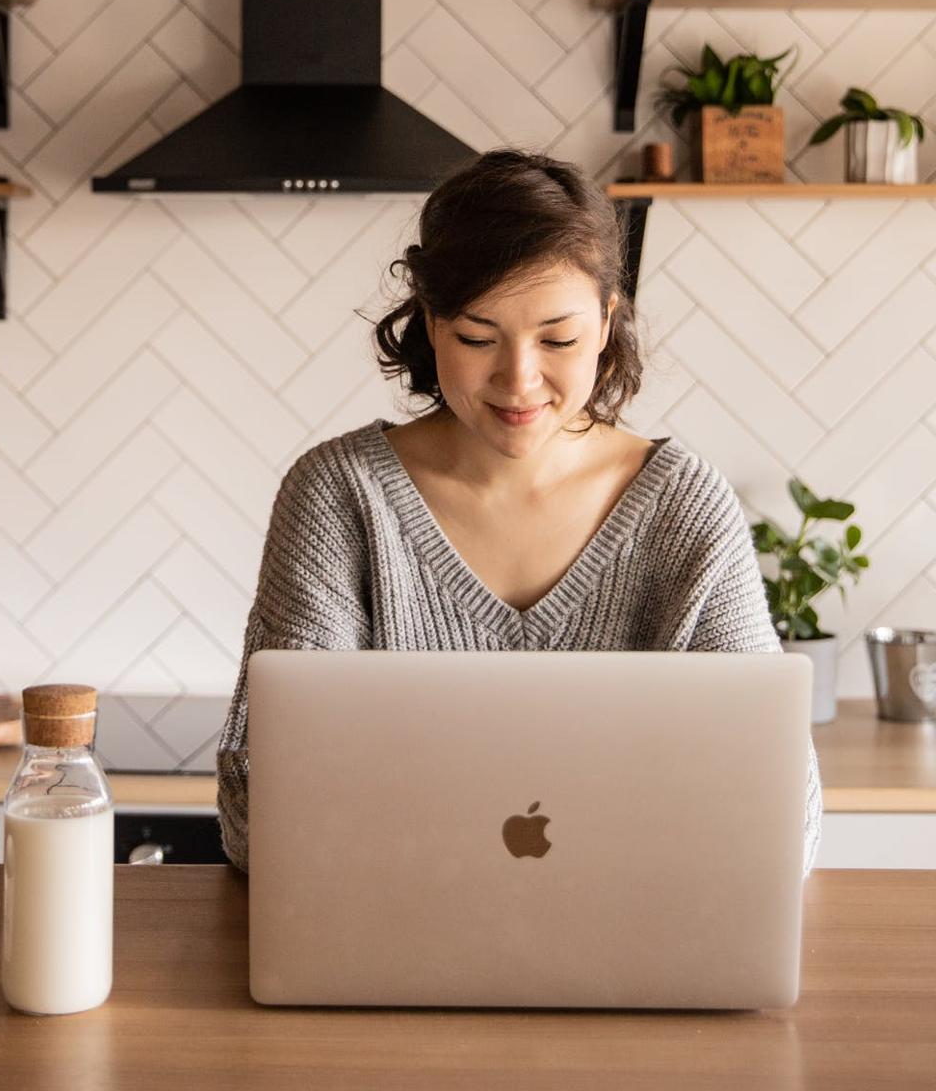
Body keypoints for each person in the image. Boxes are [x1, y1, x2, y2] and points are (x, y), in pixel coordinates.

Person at [216, 148, 822, 876]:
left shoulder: (684, 509)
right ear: (431, 322)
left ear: (606, 322)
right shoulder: (339, 498)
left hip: (635, 958)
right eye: (478, 337)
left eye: (558, 339)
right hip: (393, 957)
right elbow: (259, 818)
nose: (519, 379)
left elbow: (783, 821)